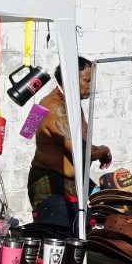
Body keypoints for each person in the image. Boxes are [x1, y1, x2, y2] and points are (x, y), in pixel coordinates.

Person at [27, 56, 112, 228]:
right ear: (71, 80)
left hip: (71, 183)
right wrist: (103, 150)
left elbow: (29, 129)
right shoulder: (53, 106)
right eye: (87, 81)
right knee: (60, 235)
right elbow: (81, 151)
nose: (91, 86)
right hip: (51, 185)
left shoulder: (68, 102)